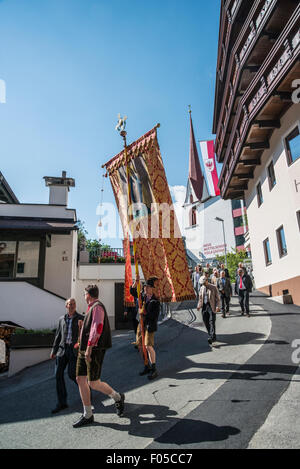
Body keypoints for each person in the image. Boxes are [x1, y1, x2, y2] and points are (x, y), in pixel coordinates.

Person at [73, 284, 125, 428]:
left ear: (88, 295)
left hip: (94, 350)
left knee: (93, 383)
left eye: (84, 294)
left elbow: (98, 327)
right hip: (85, 348)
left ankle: (118, 397)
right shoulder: (92, 308)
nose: (84, 297)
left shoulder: (97, 307)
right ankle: (88, 414)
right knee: (80, 379)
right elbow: (91, 327)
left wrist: (89, 348)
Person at [50, 298, 84, 414]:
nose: (72, 306)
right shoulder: (61, 319)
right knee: (57, 375)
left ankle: (85, 388)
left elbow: (84, 336)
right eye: (70, 304)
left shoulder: (81, 318)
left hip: (73, 350)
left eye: (74, 304)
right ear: (66, 306)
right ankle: (62, 402)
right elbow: (58, 335)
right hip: (62, 350)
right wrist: (53, 351)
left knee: (71, 374)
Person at [137, 278, 160, 380]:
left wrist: (144, 313)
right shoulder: (142, 296)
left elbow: (154, 316)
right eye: (145, 286)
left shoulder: (155, 301)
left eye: (148, 287)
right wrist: (135, 282)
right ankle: (147, 365)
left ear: (152, 289)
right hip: (141, 325)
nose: (146, 288)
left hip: (149, 326)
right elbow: (133, 292)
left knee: (148, 346)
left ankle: (154, 368)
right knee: (140, 346)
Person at [197, 275, 220, 345]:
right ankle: (212, 335)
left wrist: (217, 306)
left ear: (207, 280)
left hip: (211, 306)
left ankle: (212, 338)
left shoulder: (213, 287)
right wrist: (199, 306)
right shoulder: (201, 288)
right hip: (204, 307)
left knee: (211, 321)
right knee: (206, 322)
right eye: (202, 284)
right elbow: (200, 299)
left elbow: (218, 299)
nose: (203, 284)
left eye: (204, 283)